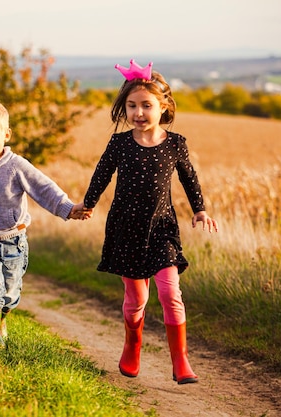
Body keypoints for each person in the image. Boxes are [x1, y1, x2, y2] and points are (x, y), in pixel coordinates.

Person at [81, 60, 218, 384]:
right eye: (132, 106)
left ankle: (181, 361)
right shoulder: (120, 144)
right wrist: (87, 205)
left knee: (171, 293)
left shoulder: (175, 144)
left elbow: (189, 178)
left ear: (164, 106)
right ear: (123, 108)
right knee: (137, 299)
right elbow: (101, 175)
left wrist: (200, 210)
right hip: (126, 229)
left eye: (146, 105)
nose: (138, 112)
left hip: (162, 229)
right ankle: (132, 344)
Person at [0, 100, 90, 349]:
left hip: (13, 240)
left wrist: (67, 208)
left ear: (6, 135)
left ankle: (1, 320)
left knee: (9, 293)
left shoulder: (16, 166)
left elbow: (44, 188)